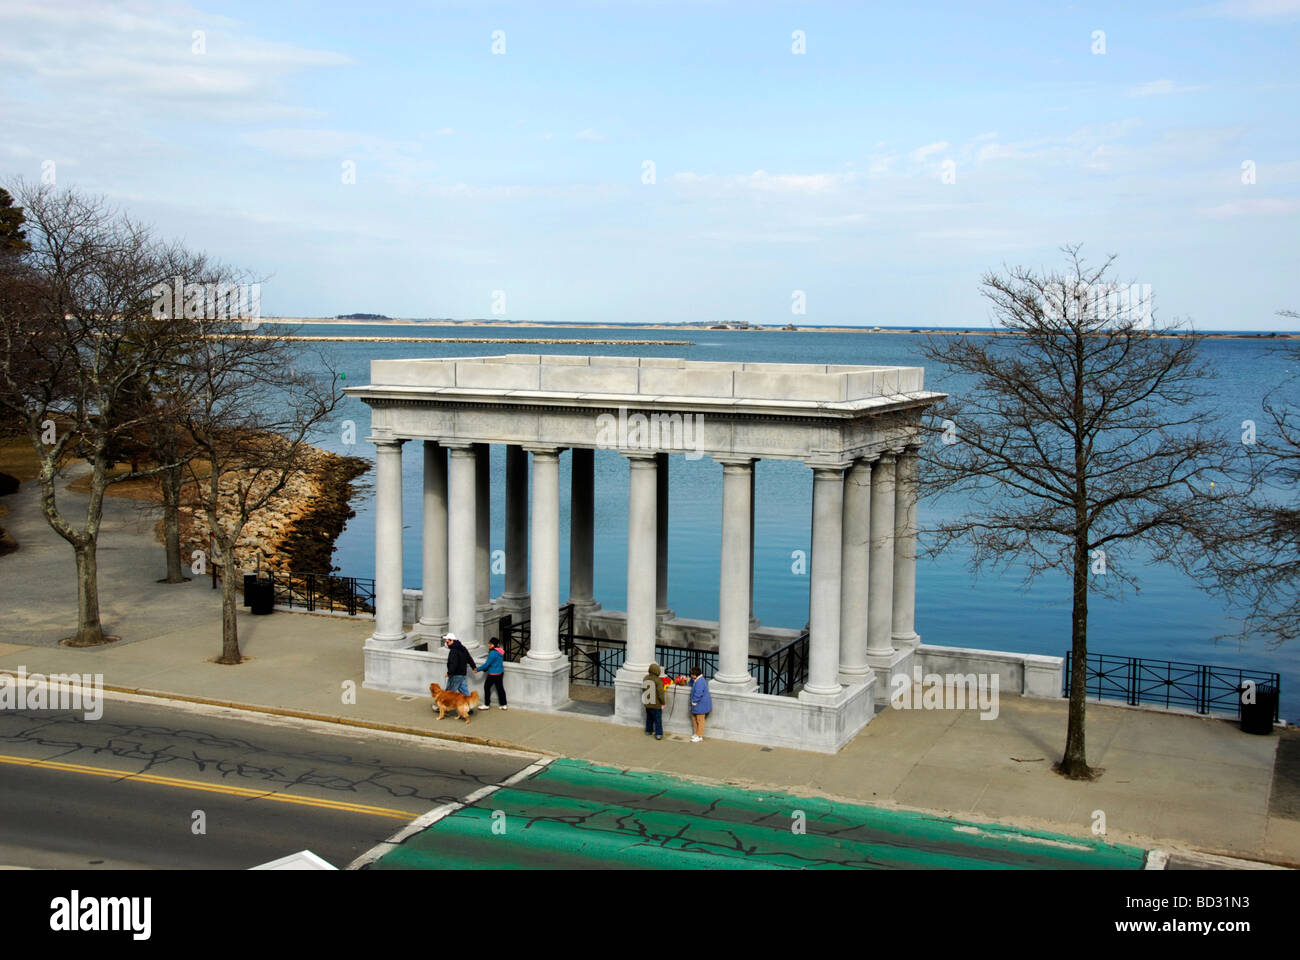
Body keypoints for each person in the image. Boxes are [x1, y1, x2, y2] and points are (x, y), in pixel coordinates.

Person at [476, 637, 508, 710]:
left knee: (487, 687)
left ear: (494, 645)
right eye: (489, 643)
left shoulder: (492, 653)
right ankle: (504, 704)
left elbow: (487, 664)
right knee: (500, 689)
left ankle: (486, 704)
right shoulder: (500, 651)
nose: (489, 645)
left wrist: (477, 669)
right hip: (500, 673)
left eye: (490, 644)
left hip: (492, 674)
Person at [443, 632, 476, 698]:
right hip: (462, 674)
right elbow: (469, 658)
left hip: (456, 674)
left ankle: (442, 707)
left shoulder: (453, 651)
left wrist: (449, 673)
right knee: (464, 692)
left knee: (449, 692)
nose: (447, 644)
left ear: (452, 640)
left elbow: (453, 663)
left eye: (447, 642)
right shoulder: (463, 648)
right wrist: (474, 667)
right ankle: (469, 706)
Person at [640, 662, 667, 740]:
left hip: (648, 703)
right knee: (658, 720)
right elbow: (660, 693)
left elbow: (643, 689)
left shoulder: (645, 678)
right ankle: (659, 734)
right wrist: (663, 703)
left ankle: (648, 730)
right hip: (656, 704)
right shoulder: (658, 681)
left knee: (649, 718)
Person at [688, 666, 711, 742]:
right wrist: (687, 680)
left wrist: (694, 702)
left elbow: (698, 693)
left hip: (700, 705)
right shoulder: (698, 680)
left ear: (694, 675)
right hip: (698, 705)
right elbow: (692, 683)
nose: (690, 675)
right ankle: (696, 733)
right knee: (694, 718)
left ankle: (699, 735)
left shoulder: (700, 682)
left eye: (691, 674)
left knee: (700, 720)